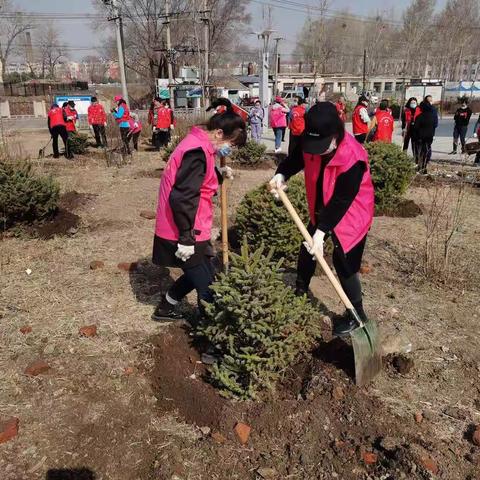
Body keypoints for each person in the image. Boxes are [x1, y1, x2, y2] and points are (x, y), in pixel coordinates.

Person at [269, 102, 374, 336]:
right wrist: (281, 173)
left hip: (351, 214)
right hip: (320, 205)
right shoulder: (310, 142)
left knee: (344, 262)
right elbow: (296, 159)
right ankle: (300, 291)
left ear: (336, 135)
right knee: (307, 249)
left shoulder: (353, 157)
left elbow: (342, 200)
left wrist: (322, 231)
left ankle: (357, 313)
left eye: (322, 146)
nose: (315, 150)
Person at [151, 98, 247, 322]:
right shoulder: (196, 152)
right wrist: (185, 238)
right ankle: (213, 342)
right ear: (219, 133)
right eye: (231, 145)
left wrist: (217, 176)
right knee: (208, 286)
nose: (228, 150)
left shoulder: (200, 144)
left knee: (202, 270)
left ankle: (167, 307)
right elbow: (182, 197)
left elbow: (197, 183)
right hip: (183, 228)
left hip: (194, 224)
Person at [413, 98, 437, 174]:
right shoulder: (432, 116)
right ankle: (424, 166)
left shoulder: (419, 117)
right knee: (426, 151)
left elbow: (416, 128)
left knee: (420, 153)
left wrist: (416, 136)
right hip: (429, 137)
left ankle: (421, 167)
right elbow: (434, 126)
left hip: (420, 138)